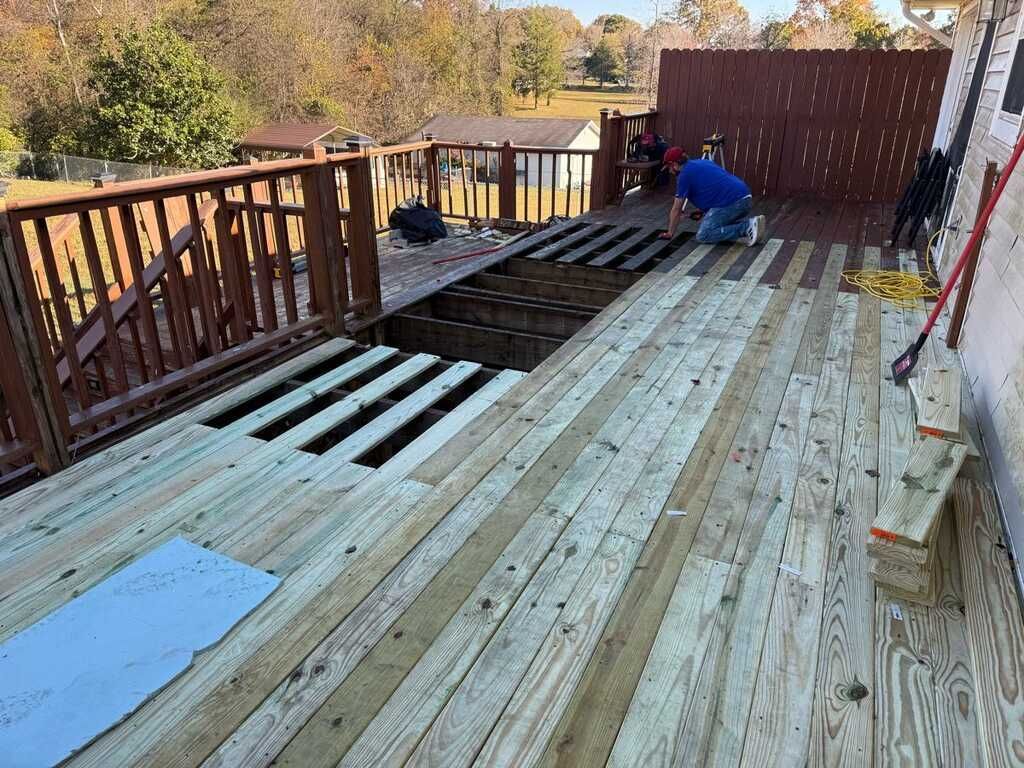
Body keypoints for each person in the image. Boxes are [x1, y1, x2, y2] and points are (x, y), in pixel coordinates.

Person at [659, 146, 766, 247]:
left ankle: (747, 227)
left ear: (675, 164)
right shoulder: (702, 162)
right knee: (711, 224)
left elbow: (676, 209)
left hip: (733, 202)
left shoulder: (684, 175)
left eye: (669, 167)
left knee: (704, 234)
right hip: (745, 198)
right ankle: (752, 226)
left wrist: (670, 233)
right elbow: (714, 186)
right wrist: (705, 212)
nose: (669, 171)